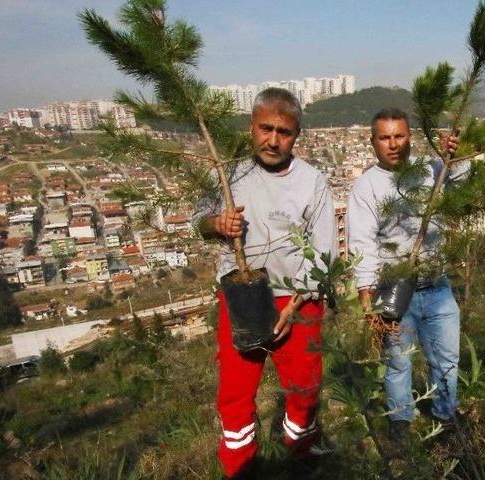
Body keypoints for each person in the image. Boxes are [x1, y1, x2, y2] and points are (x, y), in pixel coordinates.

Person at [192, 88, 337, 479]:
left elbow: (325, 252)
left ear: (297, 135)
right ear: (250, 127)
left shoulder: (312, 181)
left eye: (284, 132)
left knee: (304, 390)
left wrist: (293, 307)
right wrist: (216, 224)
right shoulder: (227, 174)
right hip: (241, 297)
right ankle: (241, 469)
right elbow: (198, 222)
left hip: (299, 298)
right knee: (236, 395)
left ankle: (301, 460)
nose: (274, 140)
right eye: (266, 129)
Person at [346, 107, 462, 452]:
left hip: (437, 286)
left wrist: (454, 155)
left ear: (409, 137)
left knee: (447, 359)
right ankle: (401, 422)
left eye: (399, 136)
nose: (393, 144)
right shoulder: (366, 187)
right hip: (394, 292)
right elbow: (362, 244)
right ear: (373, 142)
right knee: (397, 363)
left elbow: (463, 181)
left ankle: (446, 417)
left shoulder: (429, 170)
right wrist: (367, 297)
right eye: (385, 138)